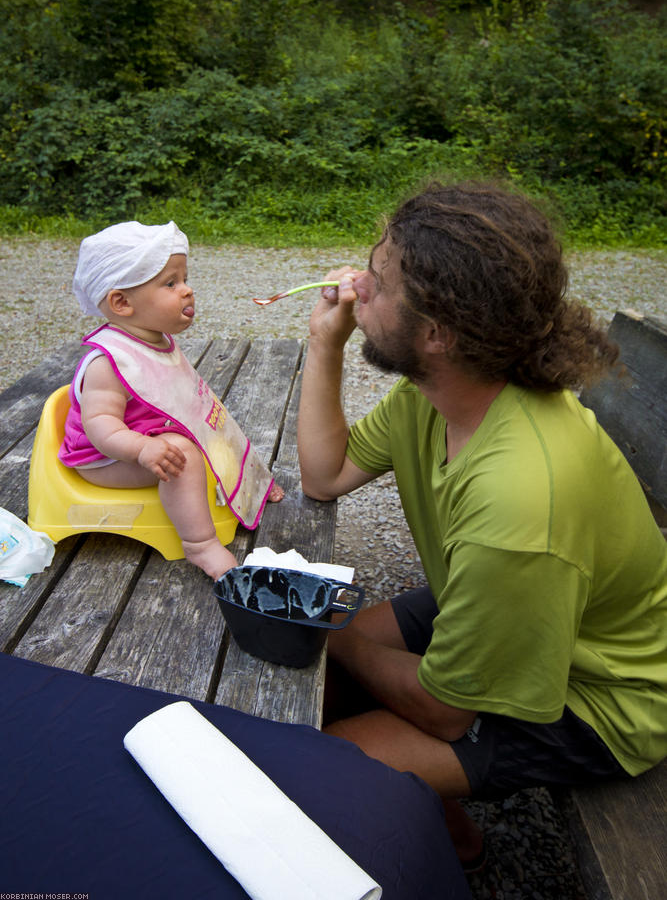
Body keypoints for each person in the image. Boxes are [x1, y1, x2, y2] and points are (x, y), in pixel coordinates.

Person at [297, 180, 667, 871]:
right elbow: (326, 473)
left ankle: (439, 855)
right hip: (511, 602)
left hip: (598, 698)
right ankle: (446, 827)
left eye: (376, 281)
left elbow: (444, 712)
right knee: (304, 671)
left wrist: (340, 634)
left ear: (437, 333)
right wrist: (326, 345)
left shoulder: (518, 500)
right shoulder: (442, 393)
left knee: (311, 767)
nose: (354, 286)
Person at [59, 220, 283, 580]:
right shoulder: (109, 362)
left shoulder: (156, 339)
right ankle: (200, 544)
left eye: (184, 279)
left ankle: (248, 484)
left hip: (144, 435)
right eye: (170, 283)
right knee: (184, 455)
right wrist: (140, 450)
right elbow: (100, 426)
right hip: (104, 457)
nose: (187, 290)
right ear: (122, 302)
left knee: (209, 421)